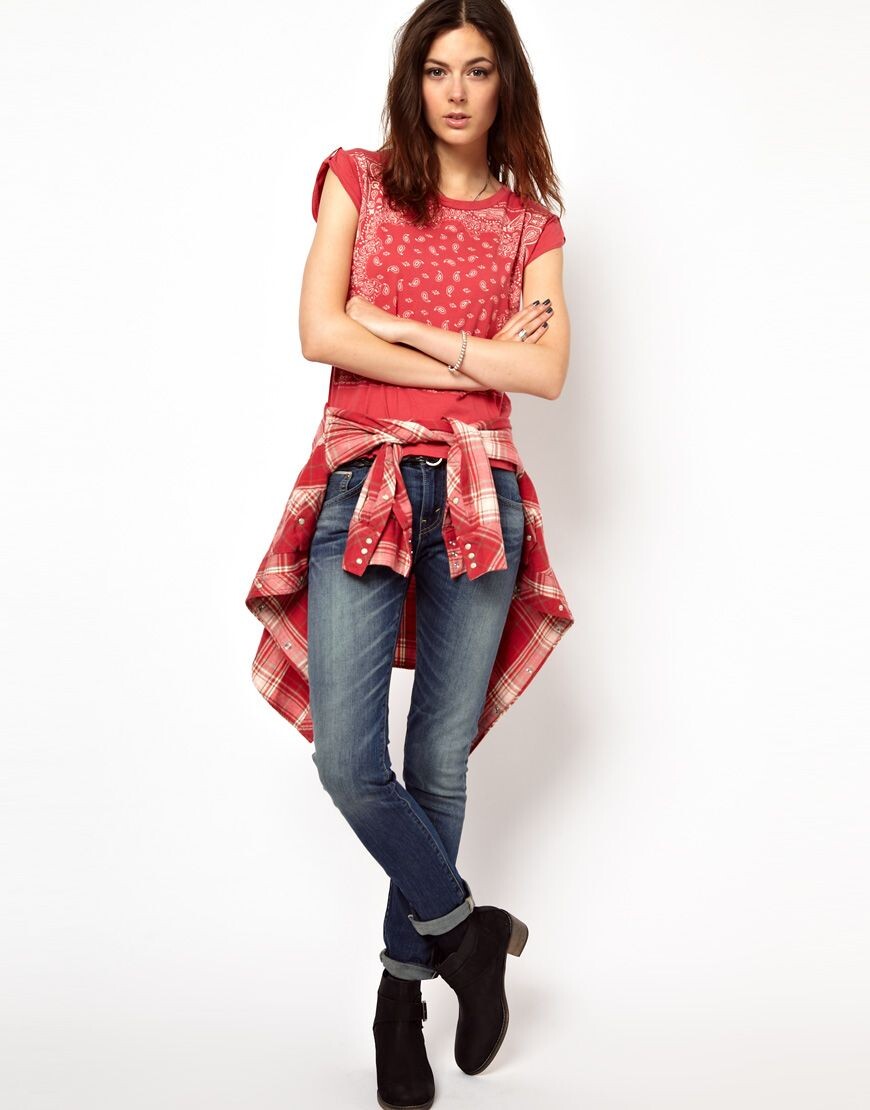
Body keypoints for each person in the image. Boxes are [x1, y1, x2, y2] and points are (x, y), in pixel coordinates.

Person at [245, 2, 572, 1106]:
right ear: (412, 81)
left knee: (437, 762)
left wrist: (407, 332)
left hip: (481, 498)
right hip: (364, 483)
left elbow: (544, 375)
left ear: (504, 82)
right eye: (437, 70)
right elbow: (321, 333)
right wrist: (476, 361)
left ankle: (400, 999)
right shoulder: (360, 180)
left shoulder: (531, 229)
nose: (456, 92)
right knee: (351, 762)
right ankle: (468, 932)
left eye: (477, 70)